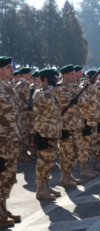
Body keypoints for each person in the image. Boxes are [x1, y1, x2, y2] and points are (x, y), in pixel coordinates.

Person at [55, 65, 87, 187]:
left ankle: (69, 174)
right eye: (72, 74)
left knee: (76, 151)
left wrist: (78, 101)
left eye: (75, 74)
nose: (75, 76)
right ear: (65, 75)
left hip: (77, 125)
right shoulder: (59, 87)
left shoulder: (76, 86)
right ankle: (64, 176)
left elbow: (85, 100)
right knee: (65, 152)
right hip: (66, 126)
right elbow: (62, 103)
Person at [0, 57, 22, 225]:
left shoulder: (9, 87)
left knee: (9, 175)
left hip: (12, 139)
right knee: (1, 176)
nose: (12, 70)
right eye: (8, 67)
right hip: (1, 141)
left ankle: (3, 207)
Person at [33, 68, 61, 200]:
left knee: (50, 161)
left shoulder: (50, 91)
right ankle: (40, 189)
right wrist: (50, 87)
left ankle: (46, 185)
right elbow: (47, 101)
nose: (56, 79)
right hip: (44, 132)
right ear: (46, 79)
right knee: (43, 161)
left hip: (53, 132)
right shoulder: (39, 92)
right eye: (53, 77)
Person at [79, 70, 100, 178]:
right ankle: (83, 169)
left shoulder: (93, 86)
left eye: (96, 77)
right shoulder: (84, 86)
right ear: (87, 76)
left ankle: (87, 167)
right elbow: (84, 102)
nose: (95, 79)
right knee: (85, 146)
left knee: (91, 145)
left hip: (94, 120)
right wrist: (84, 122)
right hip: (86, 121)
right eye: (93, 77)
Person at [14, 67, 36, 162]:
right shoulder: (19, 86)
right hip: (23, 116)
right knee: (23, 135)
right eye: (29, 74)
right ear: (24, 75)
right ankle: (21, 154)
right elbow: (17, 101)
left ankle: (25, 153)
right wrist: (27, 106)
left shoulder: (29, 85)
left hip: (30, 115)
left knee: (29, 135)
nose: (30, 75)